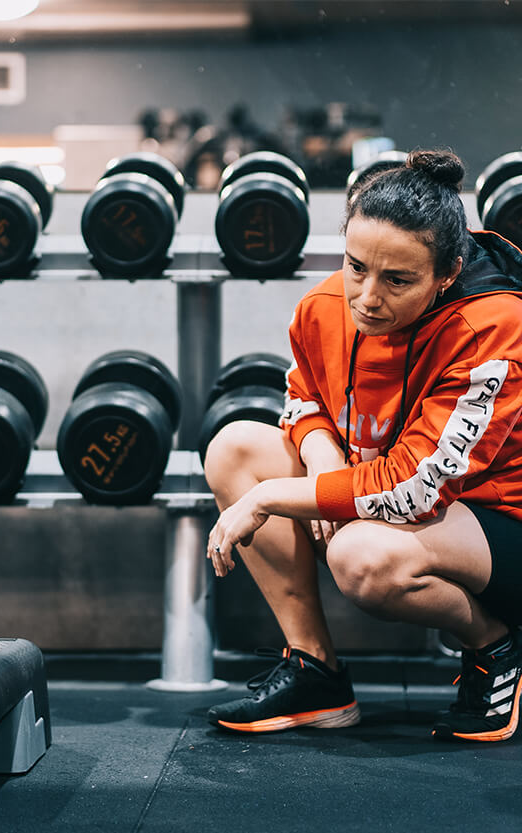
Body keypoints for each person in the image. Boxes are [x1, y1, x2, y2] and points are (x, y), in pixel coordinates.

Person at [203, 149, 522, 743]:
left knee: (362, 557)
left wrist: (278, 496)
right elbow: (303, 396)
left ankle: (495, 647)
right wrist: (321, 451)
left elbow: (415, 485)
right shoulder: (325, 305)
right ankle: (316, 671)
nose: (367, 298)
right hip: (406, 497)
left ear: (447, 273)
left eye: (397, 280)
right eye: (356, 267)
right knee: (235, 449)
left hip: (499, 521)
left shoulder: (493, 326)